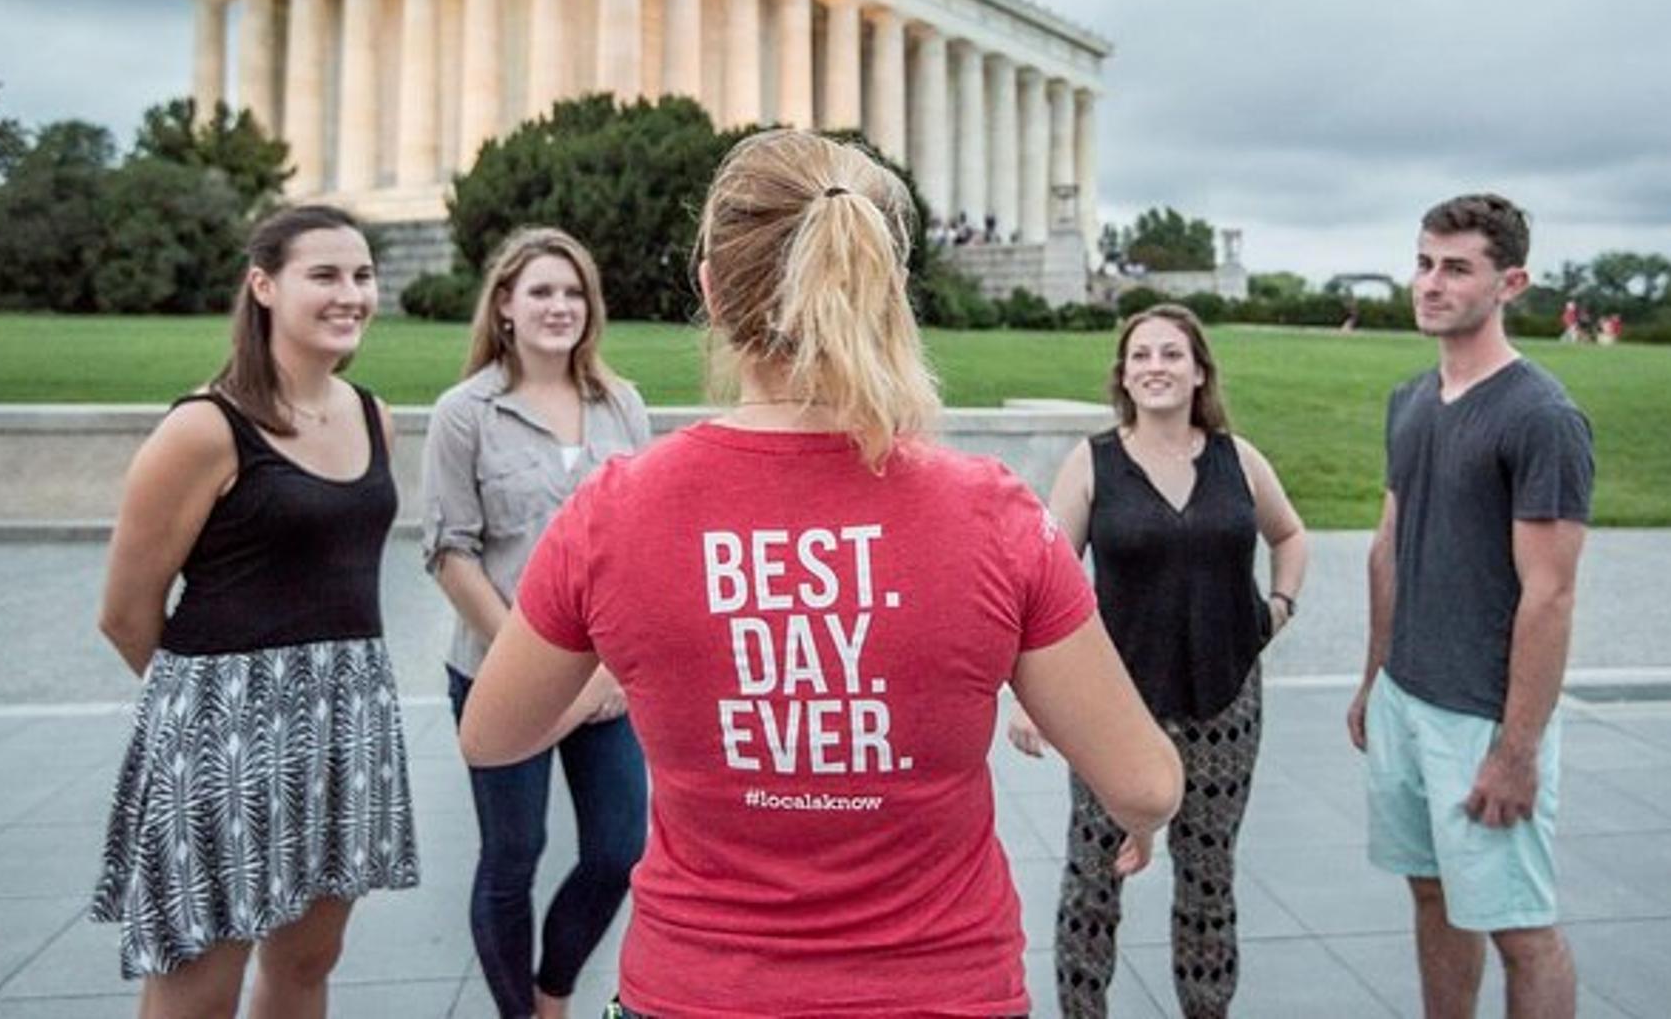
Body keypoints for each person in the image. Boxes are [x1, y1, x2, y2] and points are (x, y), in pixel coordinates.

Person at [458, 128, 1183, 1018]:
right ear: (887, 288)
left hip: (697, 991)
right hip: (940, 991)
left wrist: (644, 659)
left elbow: (493, 731)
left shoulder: (618, 510)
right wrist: (1143, 821)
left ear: (711, 289)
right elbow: (1145, 778)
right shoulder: (990, 511)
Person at [91, 204, 419, 1016]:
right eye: (325, 275)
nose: (351, 294)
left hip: (347, 722)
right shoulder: (204, 428)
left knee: (308, 964)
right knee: (198, 986)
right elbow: (126, 612)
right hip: (225, 737)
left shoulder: (372, 414)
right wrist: (217, 716)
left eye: (362, 275)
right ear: (264, 285)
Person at [1008, 302, 1312, 1018]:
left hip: (1226, 700)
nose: (1156, 367)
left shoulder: (1240, 459)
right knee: (1093, 877)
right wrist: (1030, 695)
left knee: (1208, 875)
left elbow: (1291, 533)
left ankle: (1207, 1007)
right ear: (1124, 374)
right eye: (1141, 355)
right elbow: (1043, 579)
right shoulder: (1094, 462)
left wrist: (1280, 605)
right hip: (1113, 704)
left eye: (1172, 353)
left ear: (1199, 370)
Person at [1347, 194, 1594, 1018]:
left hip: (1480, 718)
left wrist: (1517, 749)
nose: (1431, 282)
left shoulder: (1541, 416)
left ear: (1510, 281)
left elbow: (1551, 594)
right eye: (1423, 262)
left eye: (1456, 267)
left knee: (1521, 929)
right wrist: (1373, 679)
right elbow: (1390, 548)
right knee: (1431, 895)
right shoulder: (1410, 399)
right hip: (1406, 698)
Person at [422, 227, 652, 1019]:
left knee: (621, 848)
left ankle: (552, 990)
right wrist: (529, 655)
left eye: (574, 291)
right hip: (499, 671)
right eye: (542, 291)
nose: (560, 306)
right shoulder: (465, 413)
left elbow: (642, 543)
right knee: (512, 855)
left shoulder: (621, 405)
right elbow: (450, 551)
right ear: (506, 308)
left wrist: (612, 670)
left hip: (604, 681)